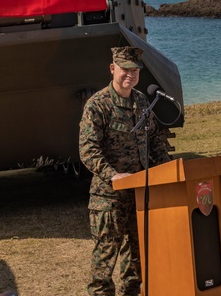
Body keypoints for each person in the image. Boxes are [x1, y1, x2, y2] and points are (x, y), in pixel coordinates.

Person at [79, 46, 172, 296]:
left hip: (139, 193)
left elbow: (153, 140)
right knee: (105, 259)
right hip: (109, 196)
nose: (130, 75)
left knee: (137, 255)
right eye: (125, 69)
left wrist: (168, 170)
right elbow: (88, 150)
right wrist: (112, 175)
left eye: (135, 70)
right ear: (112, 69)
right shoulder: (98, 105)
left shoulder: (142, 101)